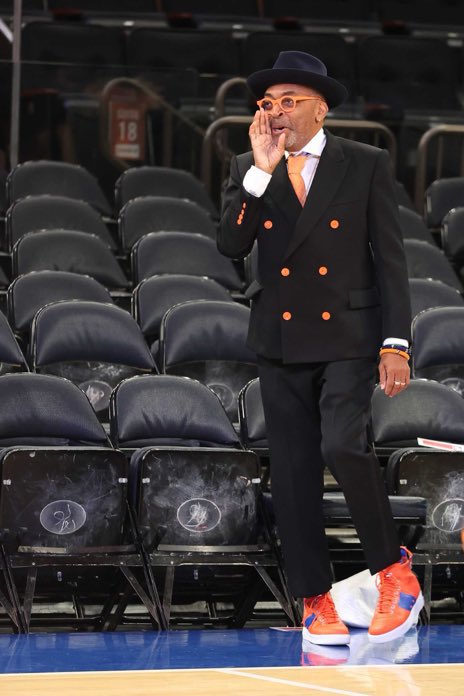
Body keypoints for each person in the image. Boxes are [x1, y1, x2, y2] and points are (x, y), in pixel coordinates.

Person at [218, 51, 423, 646]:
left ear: (321, 108)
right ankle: (314, 596)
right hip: (279, 338)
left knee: (341, 443)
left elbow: (391, 259)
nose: (277, 111)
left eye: (290, 101)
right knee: (293, 469)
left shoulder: (365, 162)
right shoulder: (248, 168)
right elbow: (230, 242)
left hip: (349, 336)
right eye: (268, 103)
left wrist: (396, 342)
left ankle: (394, 573)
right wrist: (260, 173)